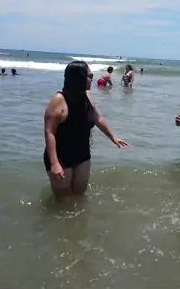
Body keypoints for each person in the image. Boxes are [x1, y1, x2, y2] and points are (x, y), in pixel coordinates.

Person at [43, 60, 128, 197]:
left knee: (80, 194)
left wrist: (113, 137)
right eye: (90, 76)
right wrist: (54, 163)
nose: (92, 79)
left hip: (82, 153)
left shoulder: (87, 96)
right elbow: (49, 132)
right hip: (61, 156)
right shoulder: (59, 100)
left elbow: (98, 118)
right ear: (78, 78)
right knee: (63, 199)